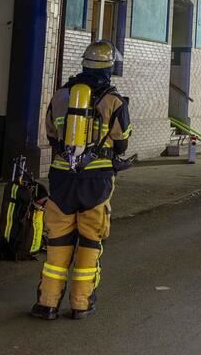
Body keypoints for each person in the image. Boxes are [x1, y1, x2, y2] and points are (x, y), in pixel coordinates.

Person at [32, 41, 131, 320]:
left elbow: (51, 134)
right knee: (89, 241)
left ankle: (47, 302)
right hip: (96, 182)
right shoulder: (114, 101)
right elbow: (121, 144)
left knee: (58, 241)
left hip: (62, 178)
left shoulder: (62, 96)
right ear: (109, 67)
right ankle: (80, 303)